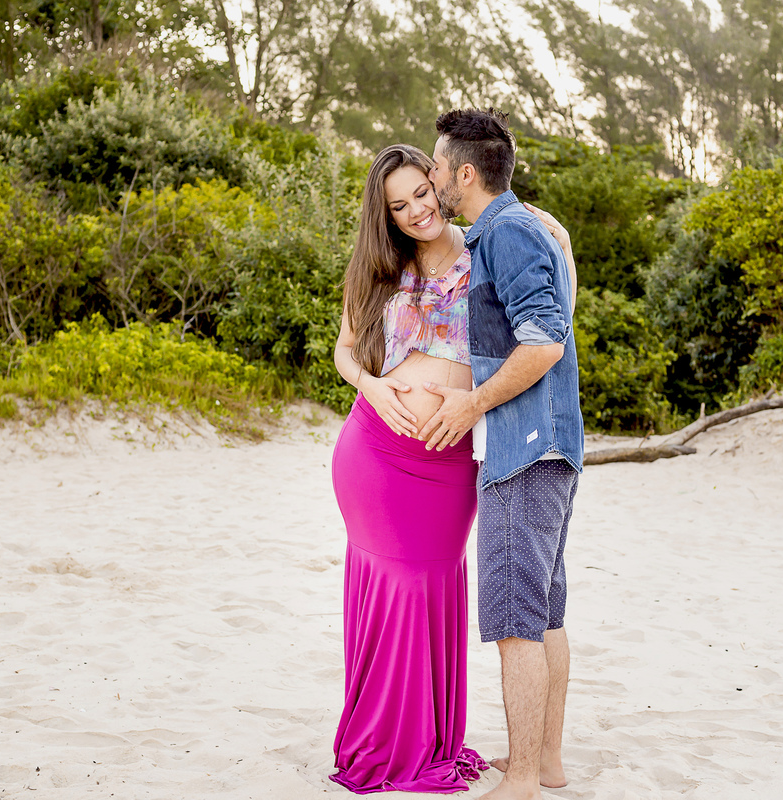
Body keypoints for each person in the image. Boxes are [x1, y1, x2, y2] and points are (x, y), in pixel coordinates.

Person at [328, 142, 575, 795]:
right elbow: (345, 350)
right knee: (392, 593)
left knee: (429, 591)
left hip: (449, 462)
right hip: (375, 451)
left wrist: (552, 227)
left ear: (442, 183)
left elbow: (546, 304)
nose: (416, 210)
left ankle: (429, 740)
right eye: (398, 205)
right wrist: (370, 385)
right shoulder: (380, 267)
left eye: (421, 192)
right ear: (384, 215)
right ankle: (387, 745)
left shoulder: (488, 248)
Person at [421, 109, 584, 800]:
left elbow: (543, 340)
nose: (431, 177)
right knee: (543, 614)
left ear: (464, 173)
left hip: (524, 451)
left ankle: (521, 781)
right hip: (547, 446)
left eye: (436, 165)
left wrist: (471, 404)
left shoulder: (510, 232)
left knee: (517, 622)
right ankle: (544, 763)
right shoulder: (515, 229)